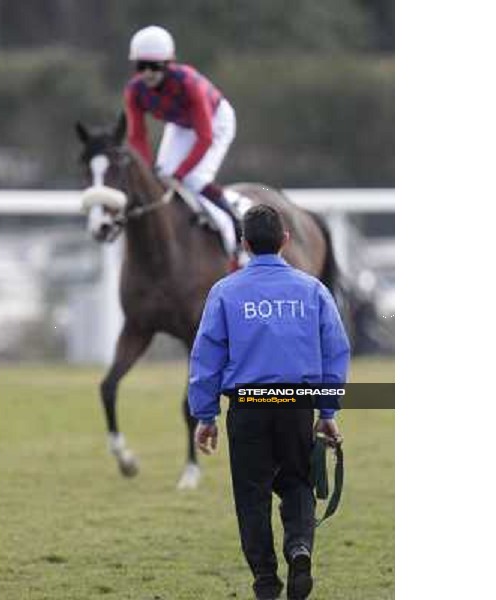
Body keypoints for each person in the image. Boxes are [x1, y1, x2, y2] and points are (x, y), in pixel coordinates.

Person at [188, 204, 350, 600]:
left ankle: (265, 582)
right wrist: (327, 412)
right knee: (298, 483)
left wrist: (205, 415)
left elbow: (206, 358)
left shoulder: (225, 291)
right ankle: (299, 548)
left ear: (243, 244)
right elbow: (336, 351)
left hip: (248, 408)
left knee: (252, 496)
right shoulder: (312, 289)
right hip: (297, 405)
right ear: (285, 240)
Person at [124, 25, 242, 250]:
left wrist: (180, 173)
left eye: (154, 66)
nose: (147, 73)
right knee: (161, 178)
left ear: (168, 64)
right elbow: (137, 137)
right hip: (181, 124)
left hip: (216, 121)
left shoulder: (188, 84)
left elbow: (205, 137)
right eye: (141, 66)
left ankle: (236, 224)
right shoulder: (134, 91)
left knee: (194, 179)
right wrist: (147, 171)